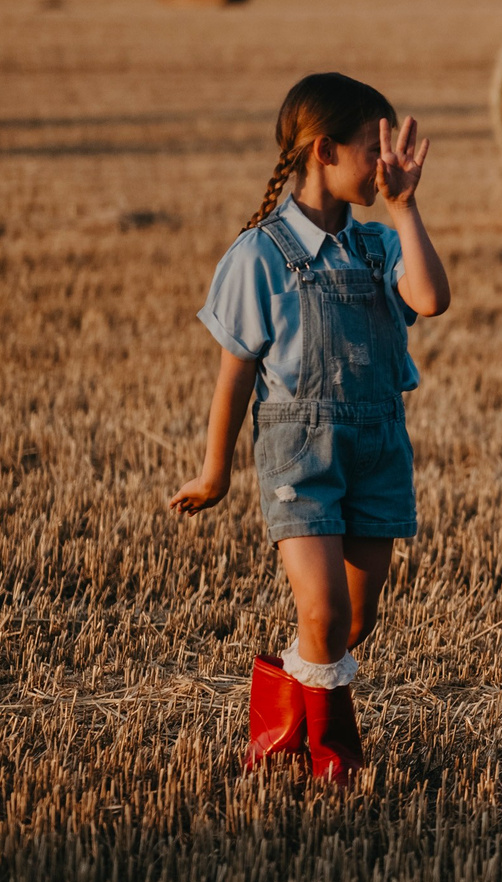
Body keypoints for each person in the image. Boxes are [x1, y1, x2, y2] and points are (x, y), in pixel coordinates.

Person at [168, 72, 450, 780]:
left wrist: (407, 206)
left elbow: (432, 298)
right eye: (373, 149)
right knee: (321, 612)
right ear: (324, 150)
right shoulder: (258, 254)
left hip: (379, 451)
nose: (386, 164)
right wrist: (215, 470)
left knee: (353, 621)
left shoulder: (378, 246)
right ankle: (335, 756)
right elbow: (235, 376)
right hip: (300, 456)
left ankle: (284, 715)